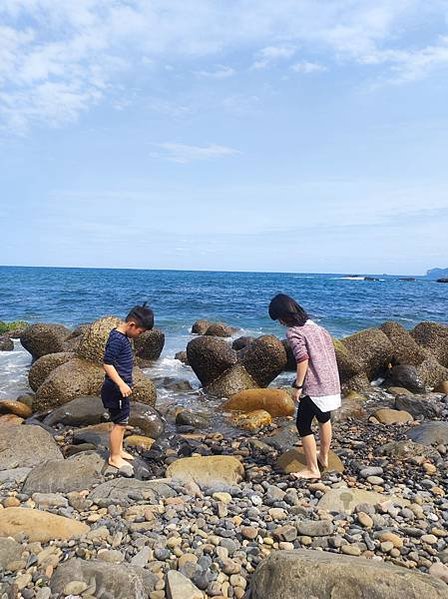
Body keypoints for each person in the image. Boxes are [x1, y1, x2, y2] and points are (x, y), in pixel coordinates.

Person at [269, 293, 341, 479]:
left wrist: (298, 386)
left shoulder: (294, 332)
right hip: (330, 381)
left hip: (315, 385)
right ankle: (323, 457)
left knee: (303, 424)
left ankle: (312, 469)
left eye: (279, 319)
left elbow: (302, 360)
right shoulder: (317, 327)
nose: (280, 323)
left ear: (284, 315)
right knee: (324, 418)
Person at [101, 303, 154, 469]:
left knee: (123, 420)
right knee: (120, 424)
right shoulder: (117, 339)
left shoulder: (121, 336)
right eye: (141, 331)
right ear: (132, 325)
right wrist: (122, 384)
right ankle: (114, 457)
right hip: (115, 389)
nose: (140, 335)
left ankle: (119, 450)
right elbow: (107, 364)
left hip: (119, 389)